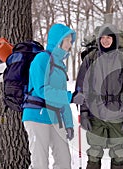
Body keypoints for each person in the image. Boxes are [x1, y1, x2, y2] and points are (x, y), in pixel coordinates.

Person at [75, 23, 123, 169]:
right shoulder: (90, 59)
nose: (105, 40)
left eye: (108, 37)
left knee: (118, 152)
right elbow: (83, 89)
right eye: (102, 38)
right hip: (94, 114)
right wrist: (84, 113)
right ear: (98, 40)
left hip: (118, 114)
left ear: (114, 39)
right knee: (94, 152)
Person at [22, 23, 77, 169]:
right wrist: (70, 97)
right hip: (36, 115)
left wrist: (69, 124)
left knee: (64, 161)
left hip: (55, 117)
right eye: (69, 41)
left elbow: (62, 99)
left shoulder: (60, 65)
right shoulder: (41, 59)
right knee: (40, 162)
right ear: (60, 40)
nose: (70, 45)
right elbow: (42, 90)